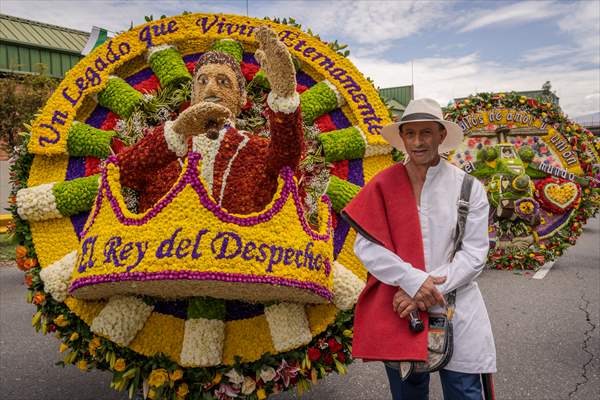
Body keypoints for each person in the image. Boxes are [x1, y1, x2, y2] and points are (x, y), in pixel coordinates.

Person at [343, 98, 496, 400]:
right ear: (401, 138)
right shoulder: (383, 184)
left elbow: (474, 254)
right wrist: (413, 282)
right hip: (404, 312)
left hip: (456, 308)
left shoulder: (468, 187)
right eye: (410, 134)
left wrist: (422, 291)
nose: (417, 142)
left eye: (426, 132)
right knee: (408, 395)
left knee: (464, 392)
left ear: (441, 135)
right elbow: (367, 247)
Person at [116, 25, 303, 214]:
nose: (210, 90)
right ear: (192, 93)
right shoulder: (161, 148)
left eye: (223, 81)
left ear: (242, 97)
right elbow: (118, 173)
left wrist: (284, 95)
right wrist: (177, 131)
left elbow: (287, 157)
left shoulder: (257, 150)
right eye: (202, 81)